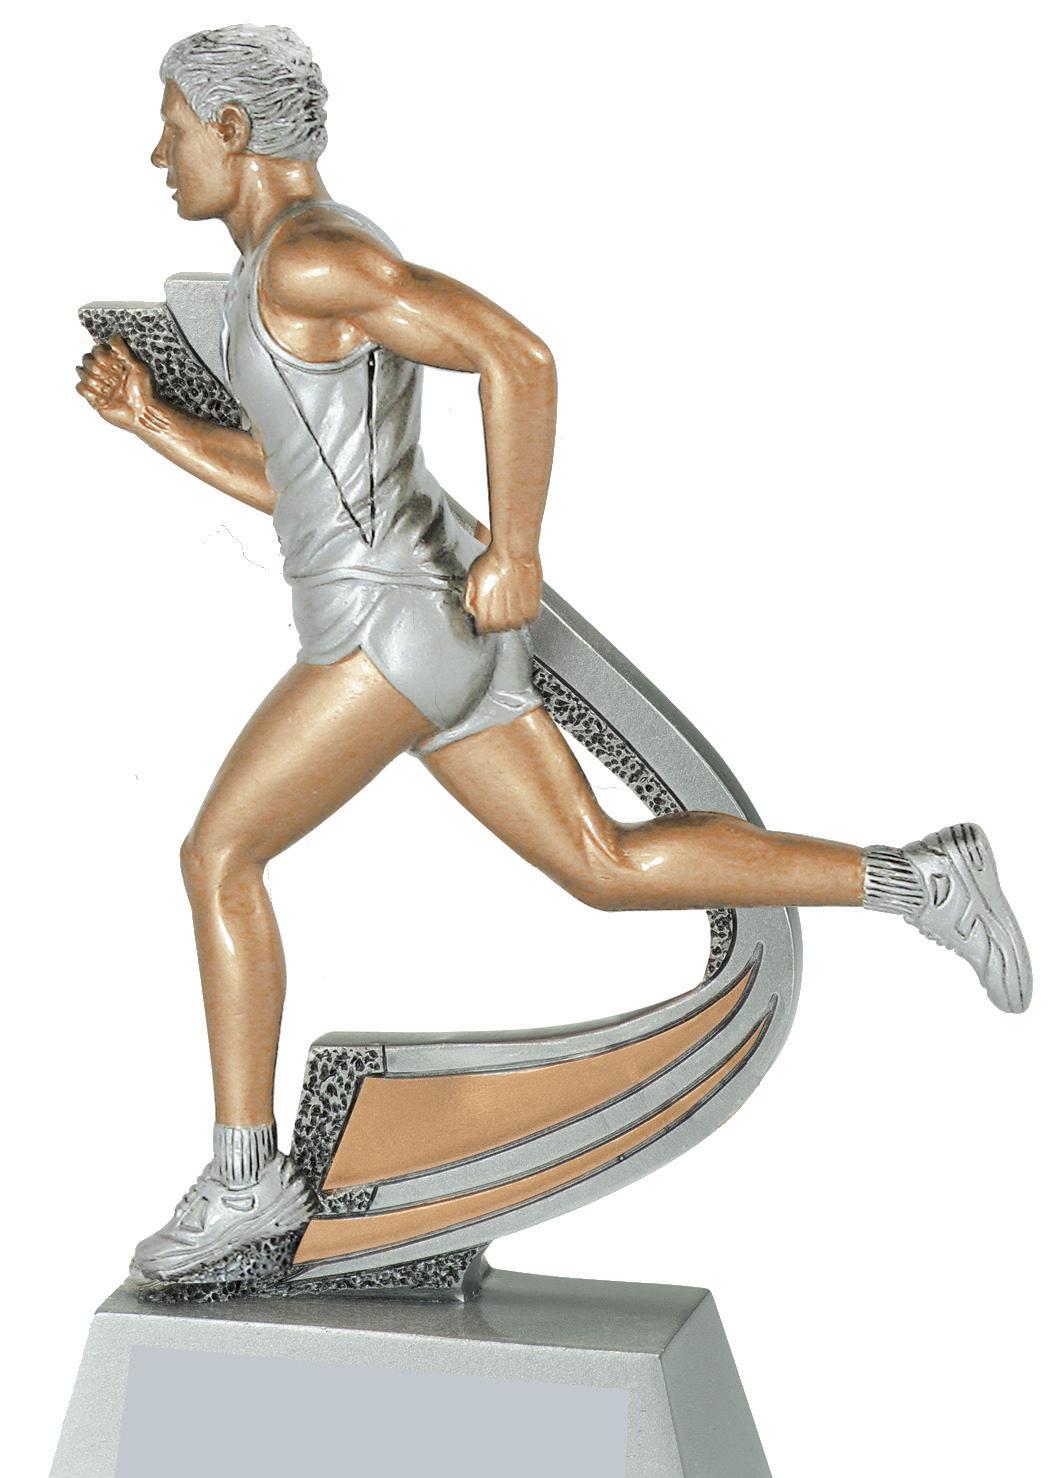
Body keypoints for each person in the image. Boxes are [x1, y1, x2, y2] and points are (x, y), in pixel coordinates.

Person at [76, 26, 1031, 1285]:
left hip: (388, 635)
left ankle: (248, 1180)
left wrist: (517, 547)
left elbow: (515, 355)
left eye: (173, 128)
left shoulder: (313, 257)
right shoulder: (283, 271)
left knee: (220, 854)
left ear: (234, 130)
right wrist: (152, 422)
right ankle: (914, 878)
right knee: (602, 862)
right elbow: (298, 484)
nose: (160, 156)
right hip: (424, 638)